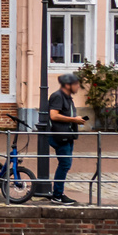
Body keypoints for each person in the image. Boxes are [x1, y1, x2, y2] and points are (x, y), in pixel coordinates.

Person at [46, 72, 86, 205]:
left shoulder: (67, 98)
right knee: (64, 164)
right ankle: (57, 195)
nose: (78, 87)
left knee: (65, 164)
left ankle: (58, 193)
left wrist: (75, 120)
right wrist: (74, 119)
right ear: (68, 85)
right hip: (60, 135)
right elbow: (54, 115)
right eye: (76, 84)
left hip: (67, 135)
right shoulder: (57, 96)